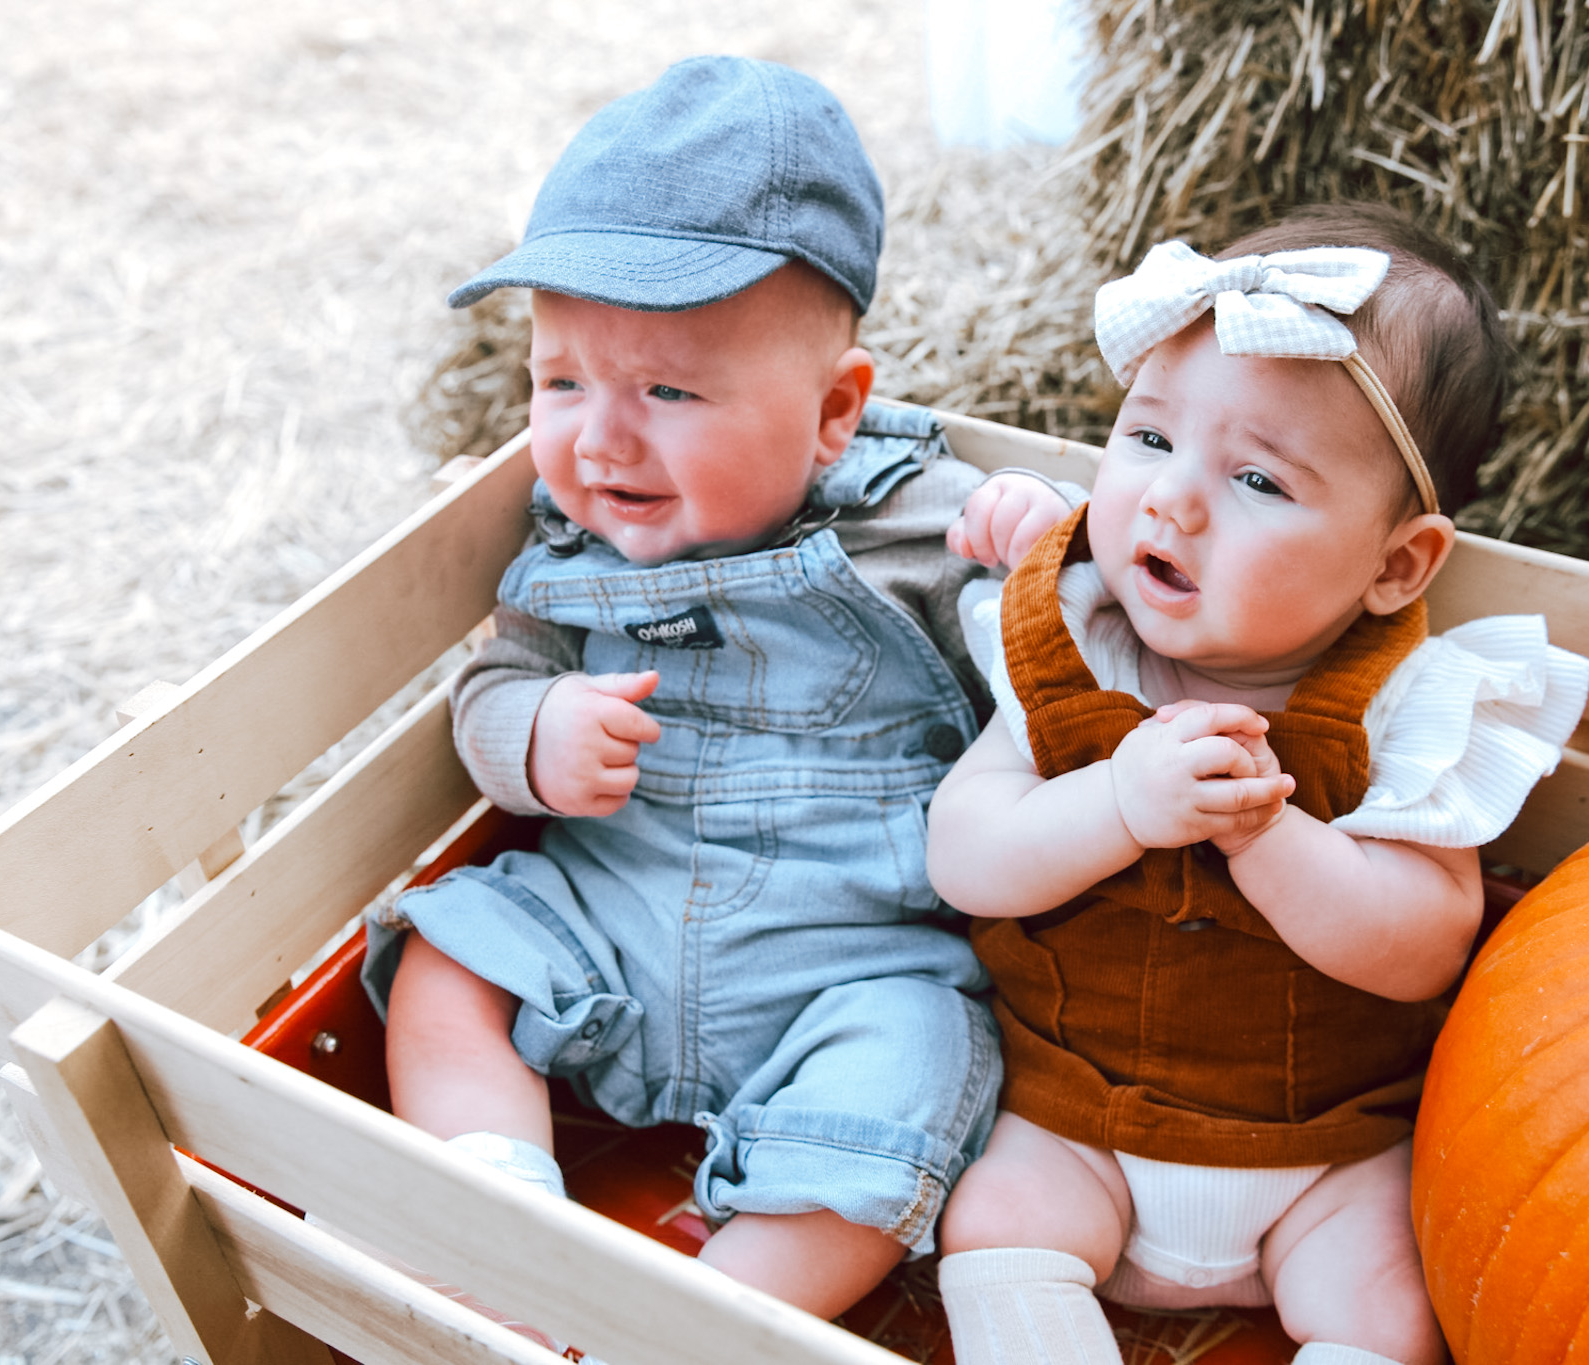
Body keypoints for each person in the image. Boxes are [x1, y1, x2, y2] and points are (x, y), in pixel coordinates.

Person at [358, 55, 1075, 1332]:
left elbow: (1070, 678)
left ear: (833, 415)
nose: (599, 438)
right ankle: (501, 1217)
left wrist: (1044, 553)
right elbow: (495, 683)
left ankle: (697, 1324)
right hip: (610, 925)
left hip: (848, 971)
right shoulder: (565, 540)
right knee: (452, 951)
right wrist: (532, 734)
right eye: (561, 379)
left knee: (922, 1066)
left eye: (668, 391)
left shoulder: (920, 528)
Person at [927, 205, 1589, 1365]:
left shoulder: (1409, 709)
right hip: (1076, 1118)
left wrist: (1267, 835)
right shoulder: (1073, 644)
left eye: (1254, 479)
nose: (1170, 501)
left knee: (1389, 1304)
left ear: (1395, 566)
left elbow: (1426, 943)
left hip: (1323, 1155)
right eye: (1147, 438)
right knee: (989, 1222)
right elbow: (965, 853)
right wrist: (1117, 806)